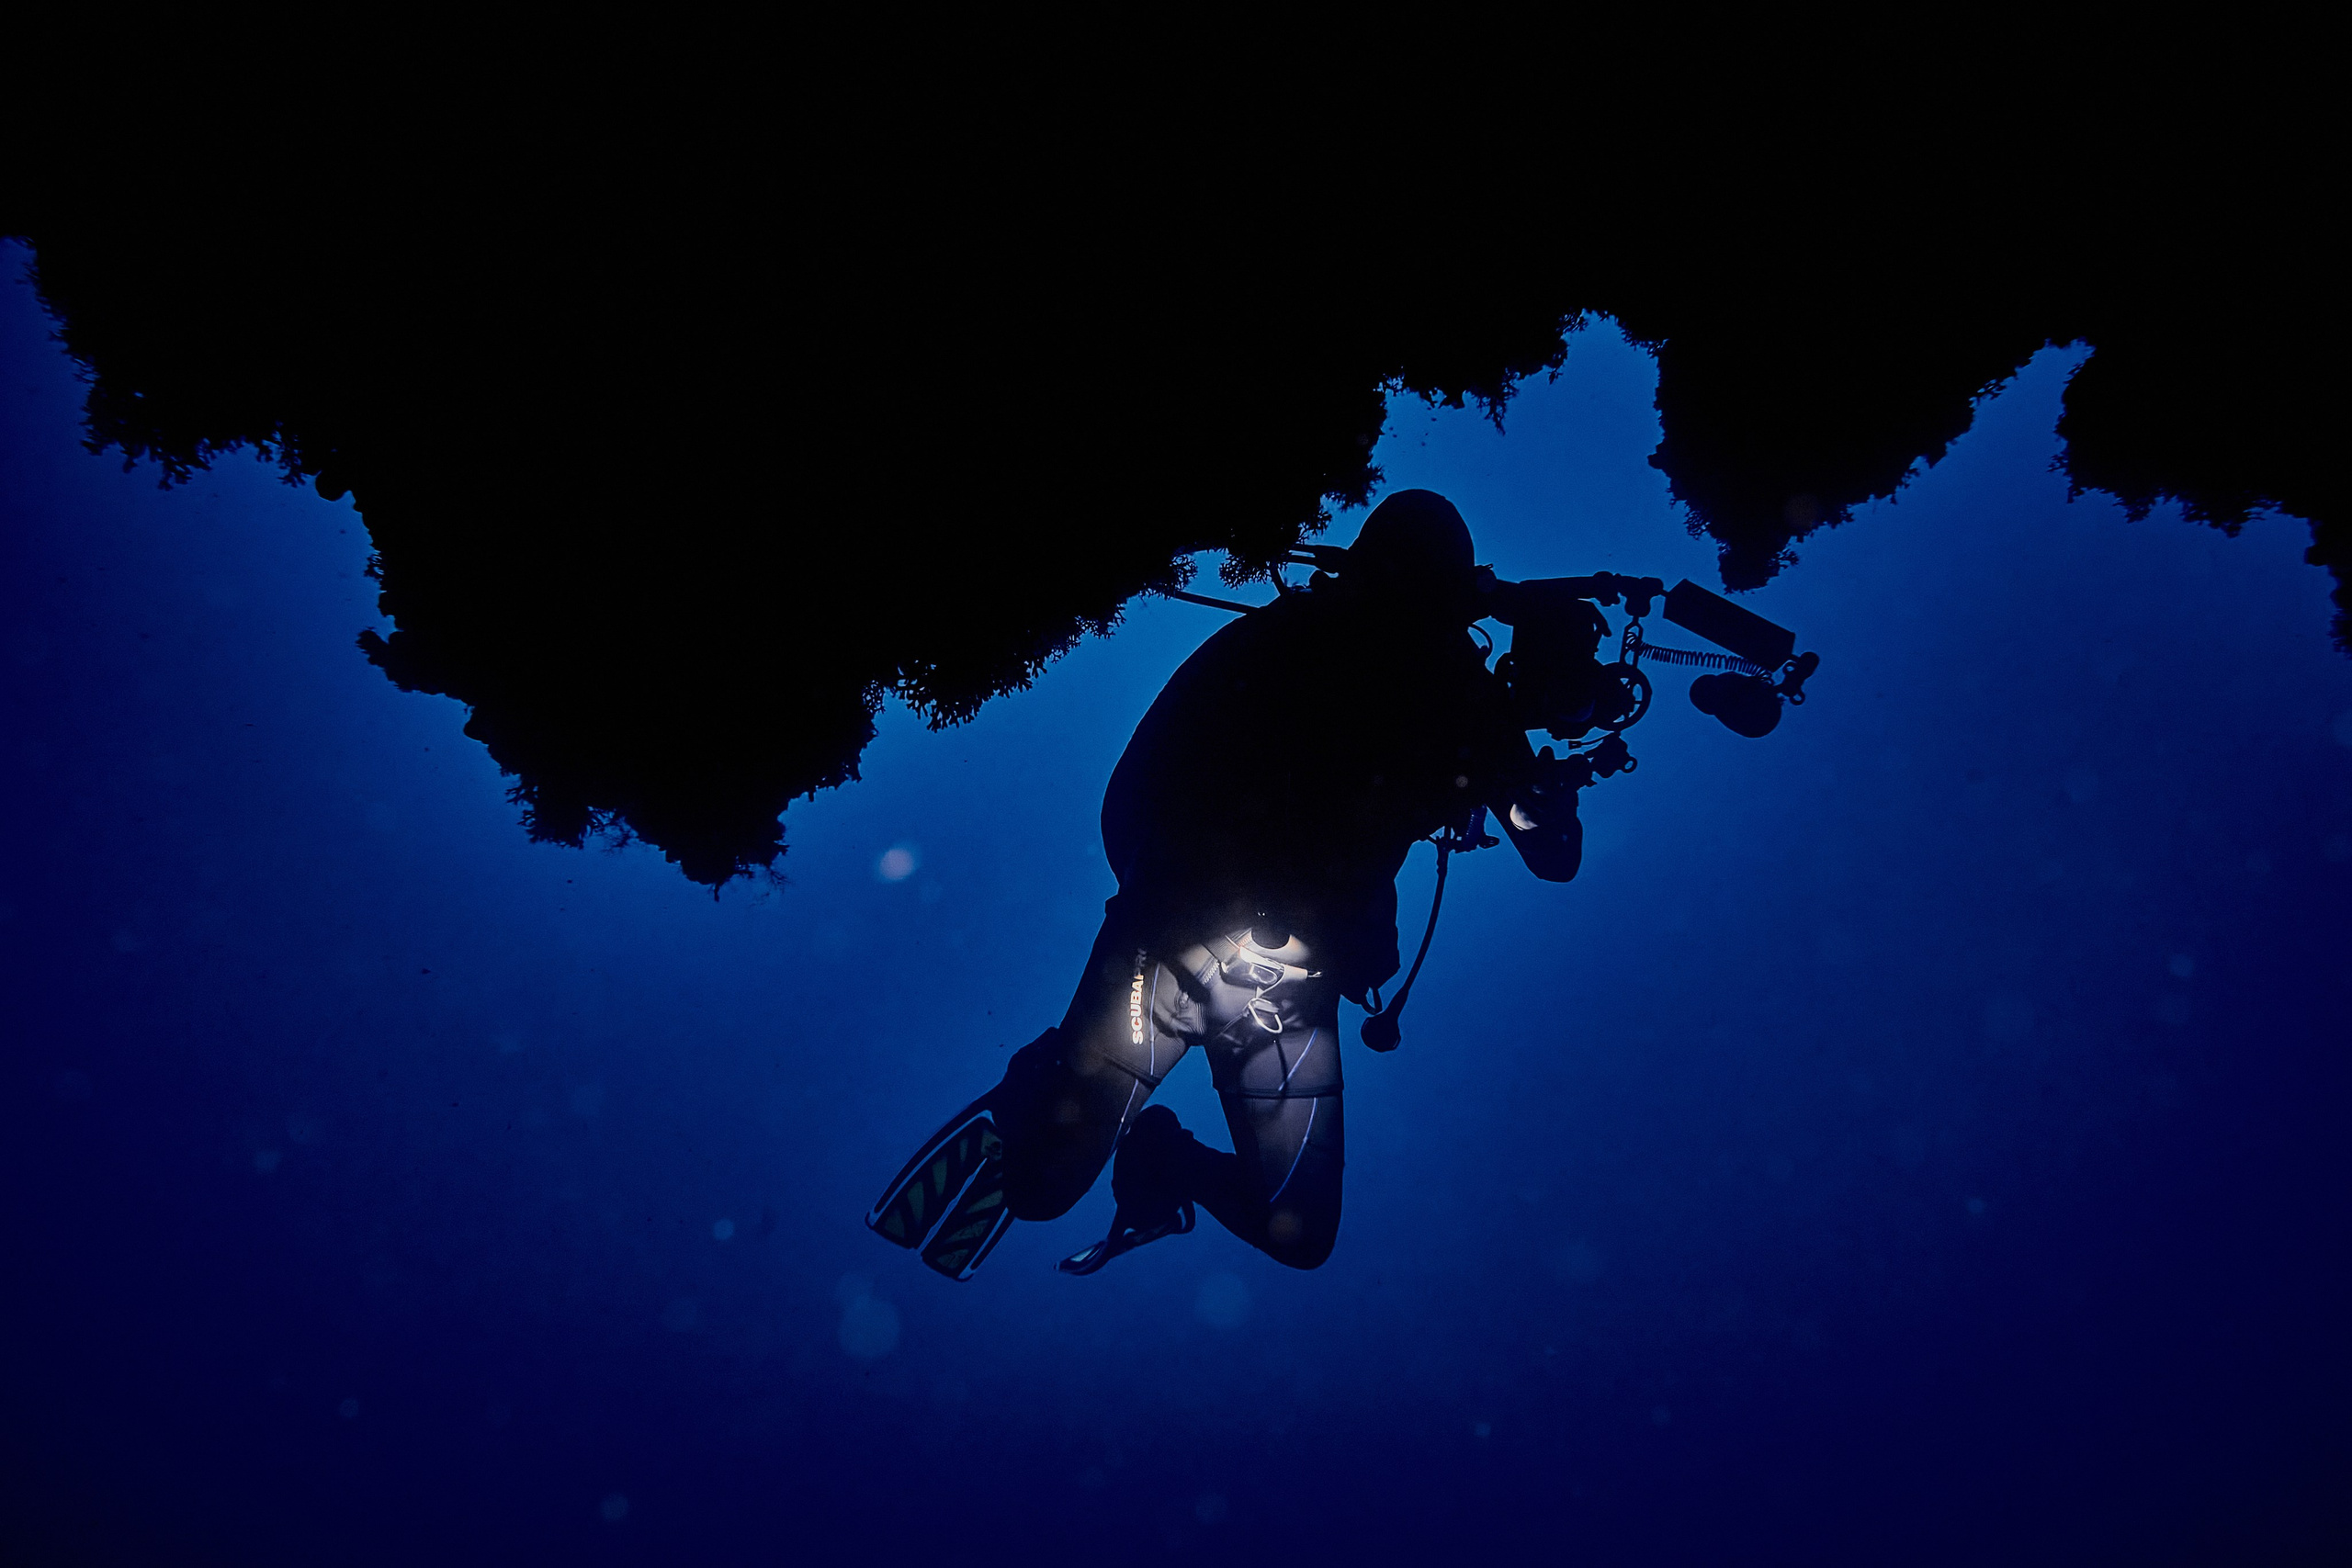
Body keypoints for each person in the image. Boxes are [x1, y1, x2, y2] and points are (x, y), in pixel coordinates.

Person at [867, 491, 1587, 1280]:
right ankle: (1051, 1080)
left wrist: (1540, 790)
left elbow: (1551, 852)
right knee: (1040, 1190)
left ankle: (1157, 1152)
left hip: (1274, 983)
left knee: (1296, 1232)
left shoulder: (1448, 694)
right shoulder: (1317, 649)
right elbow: (1150, 781)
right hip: (1171, 944)